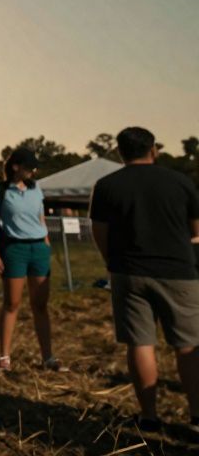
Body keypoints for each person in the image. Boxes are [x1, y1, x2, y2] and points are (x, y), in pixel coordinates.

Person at [90, 126, 199, 434]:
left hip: (129, 271)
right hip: (179, 272)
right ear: (154, 150)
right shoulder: (181, 182)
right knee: (188, 344)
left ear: (119, 153)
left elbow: (100, 231)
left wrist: (110, 261)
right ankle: (197, 415)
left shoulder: (107, 185)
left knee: (140, 342)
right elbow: (195, 229)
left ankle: (149, 417)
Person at [0, 147, 65, 372]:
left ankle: (48, 357)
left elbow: (40, 218)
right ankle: (4, 357)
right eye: (29, 166)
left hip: (39, 248)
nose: (33, 171)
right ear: (15, 167)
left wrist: (46, 242)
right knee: (12, 303)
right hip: (14, 250)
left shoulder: (36, 188)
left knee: (40, 304)